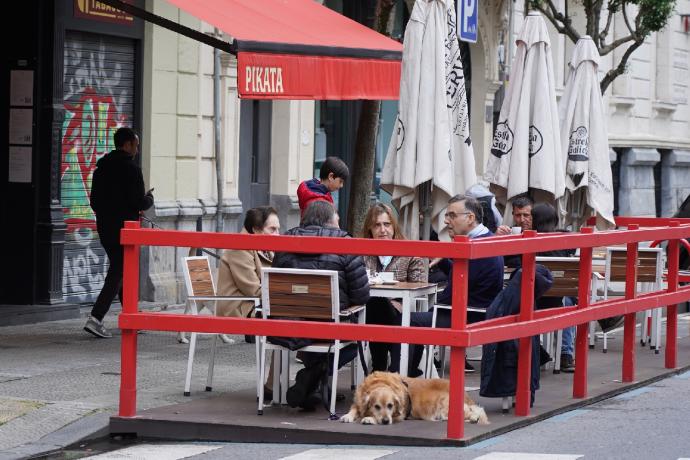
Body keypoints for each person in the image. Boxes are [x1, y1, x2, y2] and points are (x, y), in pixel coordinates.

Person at [272, 201, 370, 410]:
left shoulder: (285, 240)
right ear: (330, 219)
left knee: (315, 319)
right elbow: (361, 296)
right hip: (329, 328)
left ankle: (311, 382)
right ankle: (316, 375)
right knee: (361, 334)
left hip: (287, 326)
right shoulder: (344, 241)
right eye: (337, 216)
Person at [408, 195, 504, 375]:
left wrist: (433, 309)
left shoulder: (477, 247)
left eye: (452, 215)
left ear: (470, 218)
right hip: (475, 311)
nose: (446, 220)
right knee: (414, 318)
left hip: (468, 316)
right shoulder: (485, 239)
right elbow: (465, 277)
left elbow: (454, 291)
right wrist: (444, 260)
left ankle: (405, 375)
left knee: (407, 320)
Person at [85, 127, 153, 338]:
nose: (137, 149)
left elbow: (94, 202)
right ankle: (96, 318)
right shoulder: (132, 169)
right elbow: (138, 201)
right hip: (126, 229)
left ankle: (131, 315)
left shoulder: (101, 168)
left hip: (105, 228)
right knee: (118, 272)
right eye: (136, 145)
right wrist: (149, 199)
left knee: (122, 269)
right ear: (127, 144)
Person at [215, 206, 280, 397]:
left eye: (278, 229)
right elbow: (253, 289)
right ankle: (273, 384)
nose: (278, 235)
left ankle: (280, 383)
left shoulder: (263, 247)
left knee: (296, 318)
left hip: (256, 303)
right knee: (289, 320)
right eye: (272, 229)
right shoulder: (241, 247)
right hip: (239, 307)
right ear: (255, 230)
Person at [360, 203, 427, 373]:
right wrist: (388, 300)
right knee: (377, 305)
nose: (383, 230)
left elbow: (420, 287)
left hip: (402, 311)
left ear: (394, 226)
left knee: (380, 309)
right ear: (370, 229)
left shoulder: (410, 252)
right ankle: (397, 369)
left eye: (387, 224)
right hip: (366, 311)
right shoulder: (361, 252)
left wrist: (400, 303)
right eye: (377, 225)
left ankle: (379, 369)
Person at [530, 202, 577, 373]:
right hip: (557, 298)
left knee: (568, 299)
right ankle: (565, 353)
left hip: (535, 298)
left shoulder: (531, 240)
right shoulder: (565, 242)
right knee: (569, 300)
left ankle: (541, 353)